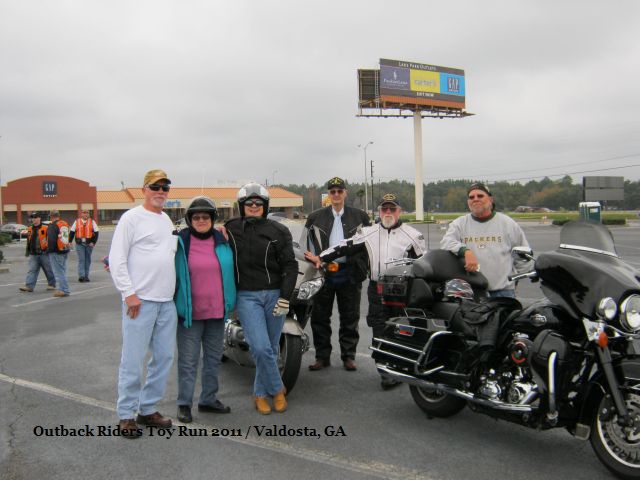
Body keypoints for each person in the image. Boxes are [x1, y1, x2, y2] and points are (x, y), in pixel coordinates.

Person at [305, 193, 426, 390]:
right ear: (379, 211)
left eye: (392, 208)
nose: (388, 212)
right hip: (377, 288)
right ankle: (385, 372)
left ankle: (402, 366)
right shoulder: (368, 232)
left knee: (401, 330)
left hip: (402, 291)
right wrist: (322, 257)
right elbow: (343, 246)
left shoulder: (412, 235)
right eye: (384, 208)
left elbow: (424, 263)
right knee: (379, 329)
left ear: (399, 211)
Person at [108, 169, 177, 439]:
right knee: (133, 360)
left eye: (165, 187)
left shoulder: (167, 220)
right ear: (144, 189)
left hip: (165, 303)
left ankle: (147, 409)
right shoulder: (131, 219)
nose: (161, 191)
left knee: (163, 358)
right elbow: (117, 259)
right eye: (155, 186)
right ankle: (126, 415)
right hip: (140, 302)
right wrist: (129, 293)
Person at [225, 182, 298, 415]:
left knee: (271, 347)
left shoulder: (279, 231)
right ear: (242, 206)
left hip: (275, 295)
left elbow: (290, 263)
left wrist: (285, 296)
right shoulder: (230, 228)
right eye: (249, 203)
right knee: (260, 347)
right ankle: (277, 389)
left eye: (259, 203)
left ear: (265, 206)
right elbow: (207, 242)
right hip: (247, 296)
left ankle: (259, 393)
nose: (254, 206)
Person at [174, 196, 236, 424]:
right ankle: (184, 404)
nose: (201, 220)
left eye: (205, 216)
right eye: (196, 217)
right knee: (188, 361)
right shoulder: (179, 242)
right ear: (190, 219)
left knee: (212, 360)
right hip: (190, 316)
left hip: (217, 313)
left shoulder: (223, 241)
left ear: (212, 219)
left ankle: (208, 399)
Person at [302, 176, 370, 372]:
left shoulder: (360, 216)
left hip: (349, 273)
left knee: (350, 317)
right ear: (328, 195)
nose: (336, 194)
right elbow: (307, 246)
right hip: (323, 273)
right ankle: (322, 357)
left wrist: (362, 266)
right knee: (320, 317)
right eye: (333, 191)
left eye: (340, 191)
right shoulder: (315, 217)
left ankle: (348, 356)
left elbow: (367, 246)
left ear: (345, 193)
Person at [440, 183, 531, 298]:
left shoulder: (507, 224)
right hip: (472, 293)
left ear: (490, 199)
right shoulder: (459, 224)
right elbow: (446, 243)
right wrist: (465, 251)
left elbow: (524, 255)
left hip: (503, 293)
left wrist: (514, 280)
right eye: (471, 197)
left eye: (480, 196)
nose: (475, 199)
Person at [19, 212, 56, 293]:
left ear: (39, 218)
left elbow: (51, 239)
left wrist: (49, 249)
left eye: (35, 218)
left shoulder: (46, 228)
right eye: (32, 218)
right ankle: (29, 286)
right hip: (33, 254)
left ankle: (52, 284)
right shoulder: (30, 229)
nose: (34, 219)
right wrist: (27, 251)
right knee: (32, 270)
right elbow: (29, 241)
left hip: (44, 253)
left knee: (48, 270)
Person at [69, 209, 99, 282]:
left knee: (87, 260)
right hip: (79, 244)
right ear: (81, 214)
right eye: (84, 213)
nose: (85, 214)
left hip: (89, 244)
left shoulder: (92, 222)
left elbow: (96, 232)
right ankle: (81, 276)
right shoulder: (77, 221)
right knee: (81, 259)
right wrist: (70, 241)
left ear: (89, 214)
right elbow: (72, 232)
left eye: (87, 213)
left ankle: (86, 276)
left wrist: (93, 242)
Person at [47, 210, 71, 298]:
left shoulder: (53, 225)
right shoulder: (64, 223)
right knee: (62, 270)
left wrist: (49, 250)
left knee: (59, 272)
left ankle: (64, 290)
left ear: (51, 216)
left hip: (56, 251)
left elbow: (51, 239)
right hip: (64, 249)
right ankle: (63, 288)